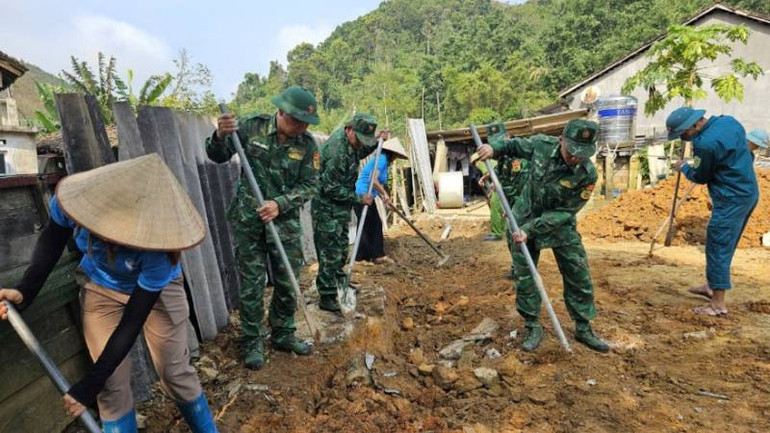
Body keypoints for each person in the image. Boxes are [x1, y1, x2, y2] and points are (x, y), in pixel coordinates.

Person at [0, 154, 218, 432]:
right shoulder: (76, 202)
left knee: (174, 373)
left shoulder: (160, 255)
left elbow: (131, 324)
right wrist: (25, 291)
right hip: (101, 287)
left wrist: (88, 385)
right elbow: (52, 240)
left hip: (158, 294)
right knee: (111, 386)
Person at [206, 85, 320, 370]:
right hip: (249, 222)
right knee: (252, 285)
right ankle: (252, 341)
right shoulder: (250, 127)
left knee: (287, 282)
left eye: (306, 122)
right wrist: (220, 135)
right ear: (280, 111)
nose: (302, 127)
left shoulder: (307, 146)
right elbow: (217, 155)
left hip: (285, 225)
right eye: (297, 120)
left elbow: (310, 185)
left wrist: (280, 204)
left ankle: (283, 333)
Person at [478, 119, 609, 353]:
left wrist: (532, 229)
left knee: (578, 273)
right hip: (524, 217)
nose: (575, 158)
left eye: (582, 153)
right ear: (561, 140)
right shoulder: (542, 145)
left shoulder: (587, 174)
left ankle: (583, 327)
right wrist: (493, 149)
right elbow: (514, 145)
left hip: (559, 224)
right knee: (525, 276)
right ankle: (532, 326)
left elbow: (566, 211)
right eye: (572, 151)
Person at [667, 107, 759, 316]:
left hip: (731, 199)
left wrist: (683, 167)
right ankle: (712, 285)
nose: (683, 138)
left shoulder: (705, 144)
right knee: (724, 244)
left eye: (683, 134)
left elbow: (700, 176)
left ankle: (717, 304)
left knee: (718, 246)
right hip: (748, 192)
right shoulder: (729, 122)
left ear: (694, 125)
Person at [312, 113, 381, 313]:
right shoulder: (336, 151)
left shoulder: (352, 144)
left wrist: (377, 141)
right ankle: (327, 295)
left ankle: (339, 282)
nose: (361, 143)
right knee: (329, 253)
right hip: (327, 209)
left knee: (341, 249)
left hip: (340, 208)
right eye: (360, 139)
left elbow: (361, 150)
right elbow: (331, 188)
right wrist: (359, 198)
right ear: (349, 129)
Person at [353, 137, 408, 264]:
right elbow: (373, 179)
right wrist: (384, 194)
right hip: (362, 195)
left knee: (374, 224)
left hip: (368, 195)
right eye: (396, 156)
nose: (396, 158)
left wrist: (384, 198)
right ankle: (366, 257)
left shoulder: (383, 161)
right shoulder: (382, 159)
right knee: (368, 225)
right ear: (392, 153)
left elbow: (376, 184)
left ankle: (372, 255)